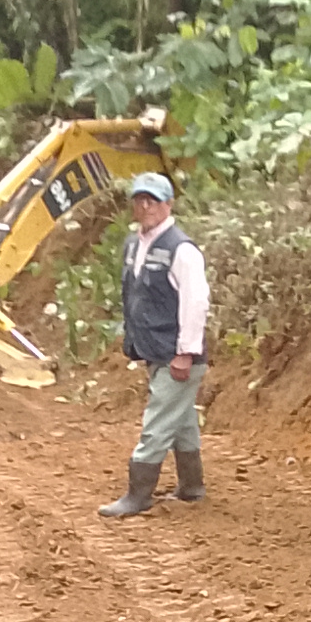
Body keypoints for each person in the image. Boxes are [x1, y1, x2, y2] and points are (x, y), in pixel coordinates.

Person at [98, 172, 208, 518]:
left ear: (169, 204)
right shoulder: (134, 244)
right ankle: (192, 486)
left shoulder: (182, 250)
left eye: (153, 200)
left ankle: (138, 494)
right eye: (139, 200)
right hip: (154, 348)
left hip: (177, 354)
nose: (145, 207)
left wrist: (185, 352)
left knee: (157, 422)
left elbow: (195, 303)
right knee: (181, 419)